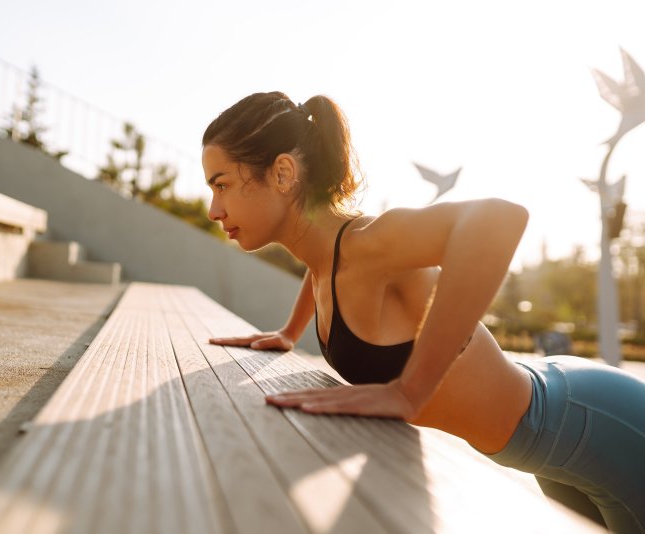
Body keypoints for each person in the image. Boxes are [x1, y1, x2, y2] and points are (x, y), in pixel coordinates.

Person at [201, 91, 645, 532]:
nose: (213, 209)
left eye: (221, 184)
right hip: (548, 450)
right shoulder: (330, 257)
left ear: (282, 173)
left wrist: (409, 392)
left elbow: (500, 220)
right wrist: (288, 330)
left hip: (586, 421)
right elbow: (322, 270)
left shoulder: (368, 244)